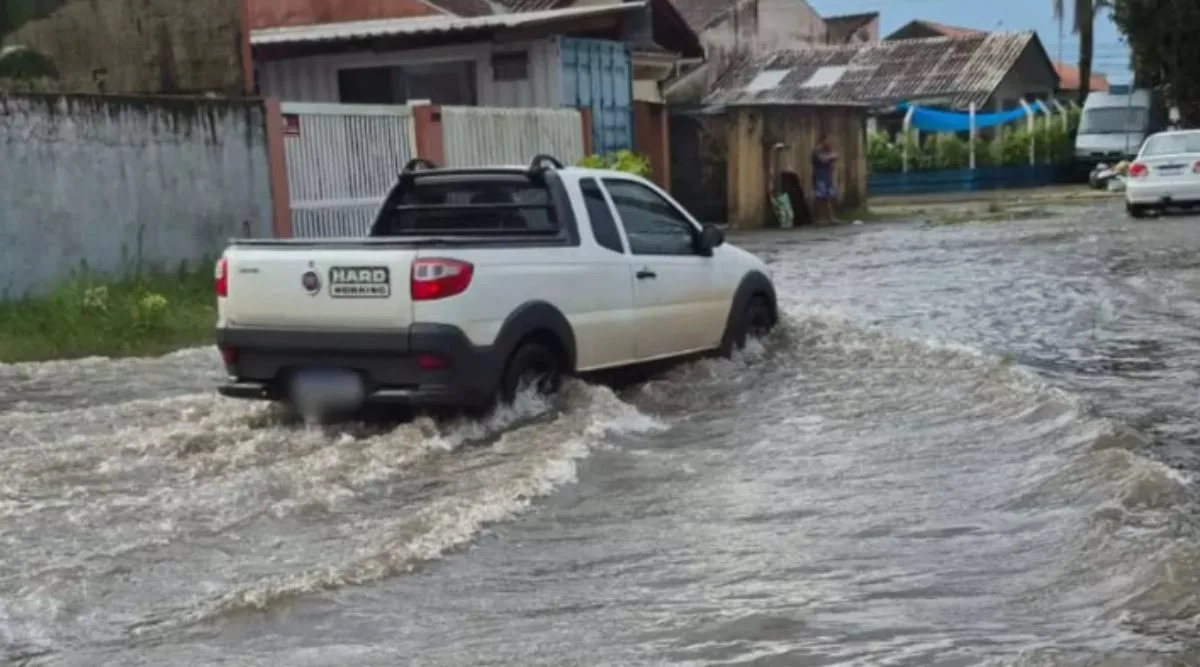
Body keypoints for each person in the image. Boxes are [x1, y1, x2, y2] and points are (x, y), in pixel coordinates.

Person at [811, 133, 839, 226]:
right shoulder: (816, 151)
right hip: (819, 177)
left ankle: (832, 218)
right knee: (819, 198)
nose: (829, 142)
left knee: (829, 197)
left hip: (827, 177)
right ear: (822, 141)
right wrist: (830, 157)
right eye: (828, 140)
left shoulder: (826, 151)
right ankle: (818, 219)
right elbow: (823, 159)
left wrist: (830, 156)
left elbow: (835, 156)